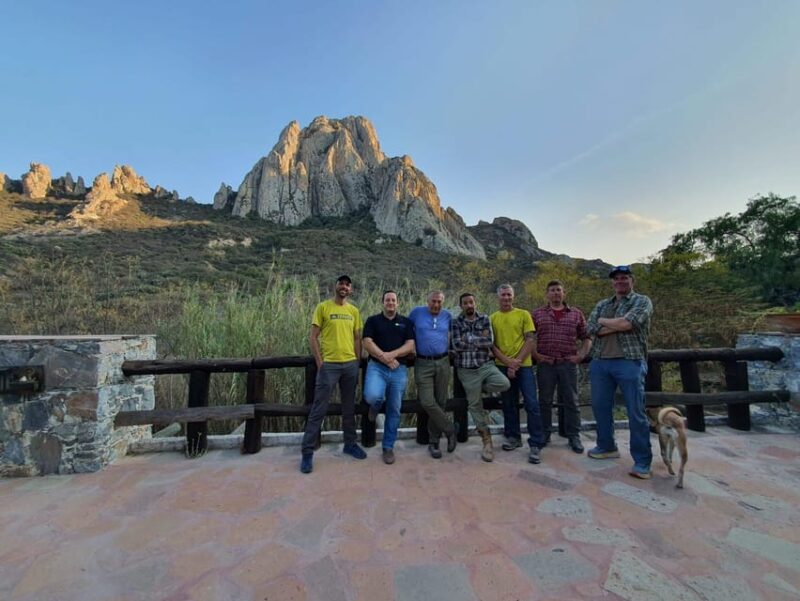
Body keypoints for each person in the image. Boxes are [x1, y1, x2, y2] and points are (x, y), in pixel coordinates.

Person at [586, 265, 654, 479]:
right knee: (600, 406)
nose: (620, 282)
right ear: (612, 283)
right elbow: (589, 329)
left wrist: (604, 322)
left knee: (635, 411)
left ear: (632, 281)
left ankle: (642, 461)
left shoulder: (642, 301)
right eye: (617, 279)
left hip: (629, 361)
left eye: (624, 278)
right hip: (600, 362)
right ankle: (607, 446)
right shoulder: (603, 304)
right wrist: (618, 324)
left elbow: (629, 323)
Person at [300, 275, 367, 473]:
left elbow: (357, 338)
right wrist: (320, 362)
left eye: (347, 284)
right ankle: (307, 452)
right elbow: (313, 337)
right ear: (335, 286)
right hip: (329, 366)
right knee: (318, 409)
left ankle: (350, 444)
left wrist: (356, 360)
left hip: (349, 366)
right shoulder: (323, 307)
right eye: (341, 284)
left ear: (351, 289)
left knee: (349, 408)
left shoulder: (353, 311)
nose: (344, 287)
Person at [532, 280, 592, 454]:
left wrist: (581, 355)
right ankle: (545, 433)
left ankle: (574, 435)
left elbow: (587, 337)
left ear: (564, 293)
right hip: (546, 364)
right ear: (547, 294)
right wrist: (536, 355)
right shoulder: (537, 314)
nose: (556, 293)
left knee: (571, 400)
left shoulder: (576, 314)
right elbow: (528, 338)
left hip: (567, 364)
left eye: (559, 290)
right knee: (544, 400)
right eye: (552, 290)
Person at [490, 284, 546, 464]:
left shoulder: (523, 314)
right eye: (503, 295)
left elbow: (530, 339)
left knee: (532, 403)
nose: (506, 298)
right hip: (502, 366)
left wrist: (516, 363)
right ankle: (513, 436)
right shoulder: (492, 318)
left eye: (509, 295)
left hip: (525, 366)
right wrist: (508, 363)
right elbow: (492, 345)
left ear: (513, 296)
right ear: (498, 297)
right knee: (508, 403)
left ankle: (536, 442)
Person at [451, 292, 510, 462]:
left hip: (485, 366)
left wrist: (467, 338)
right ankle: (487, 442)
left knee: (504, 384)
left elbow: (488, 342)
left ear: (475, 303)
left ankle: (479, 388)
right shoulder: (456, 322)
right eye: (465, 303)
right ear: (461, 305)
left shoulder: (485, 318)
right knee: (475, 405)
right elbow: (456, 344)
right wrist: (477, 340)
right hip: (466, 370)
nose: (469, 305)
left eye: (471, 302)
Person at [362, 290, 415, 465]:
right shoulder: (373, 320)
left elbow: (410, 345)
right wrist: (383, 357)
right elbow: (367, 342)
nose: (390, 302)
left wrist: (391, 355)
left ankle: (388, 447)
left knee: (394, 409)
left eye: (393, 300)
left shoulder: (405, 322)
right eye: (387, 300)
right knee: (373, 396)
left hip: (398, 369)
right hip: (377, 367)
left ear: (397, 303)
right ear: (382, 302)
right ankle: (375, 407)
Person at [408, 291, 458, 459]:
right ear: (427, 300)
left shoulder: (448, 316)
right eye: (433, 301)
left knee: (441, 401)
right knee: (427, 401)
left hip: (443, 362)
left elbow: (453, 335)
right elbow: (407, 333)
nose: (436, 305)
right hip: (423, 362)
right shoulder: (416, 313)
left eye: (439, 302)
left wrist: (453, 348)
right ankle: (450, 429)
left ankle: (434, 441)